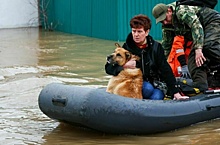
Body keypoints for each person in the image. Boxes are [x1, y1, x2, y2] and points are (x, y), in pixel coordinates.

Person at [105, 14, 189, 100]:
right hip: (137, 83)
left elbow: (166, 70)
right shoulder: (126, 48)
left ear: (147, 32)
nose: (136, 35)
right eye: (134, 31)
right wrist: (124, 66)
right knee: (147, 89)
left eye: (139, 31)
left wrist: (176, 92)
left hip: (155, 83)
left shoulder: (156, 47)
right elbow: (108, 68)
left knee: (157, 97)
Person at [152, 2, 220, 92]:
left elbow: (196, 25)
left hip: (211, 22)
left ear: (169, 11)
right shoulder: (167, 26)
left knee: (208, 46)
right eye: (161, 21)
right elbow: (166, 47)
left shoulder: (182, 11)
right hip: (201, 31)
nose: (164, 22)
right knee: (193, 60)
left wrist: (198, 49)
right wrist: (161, 67)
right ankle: (202, 86)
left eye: (165, 19)